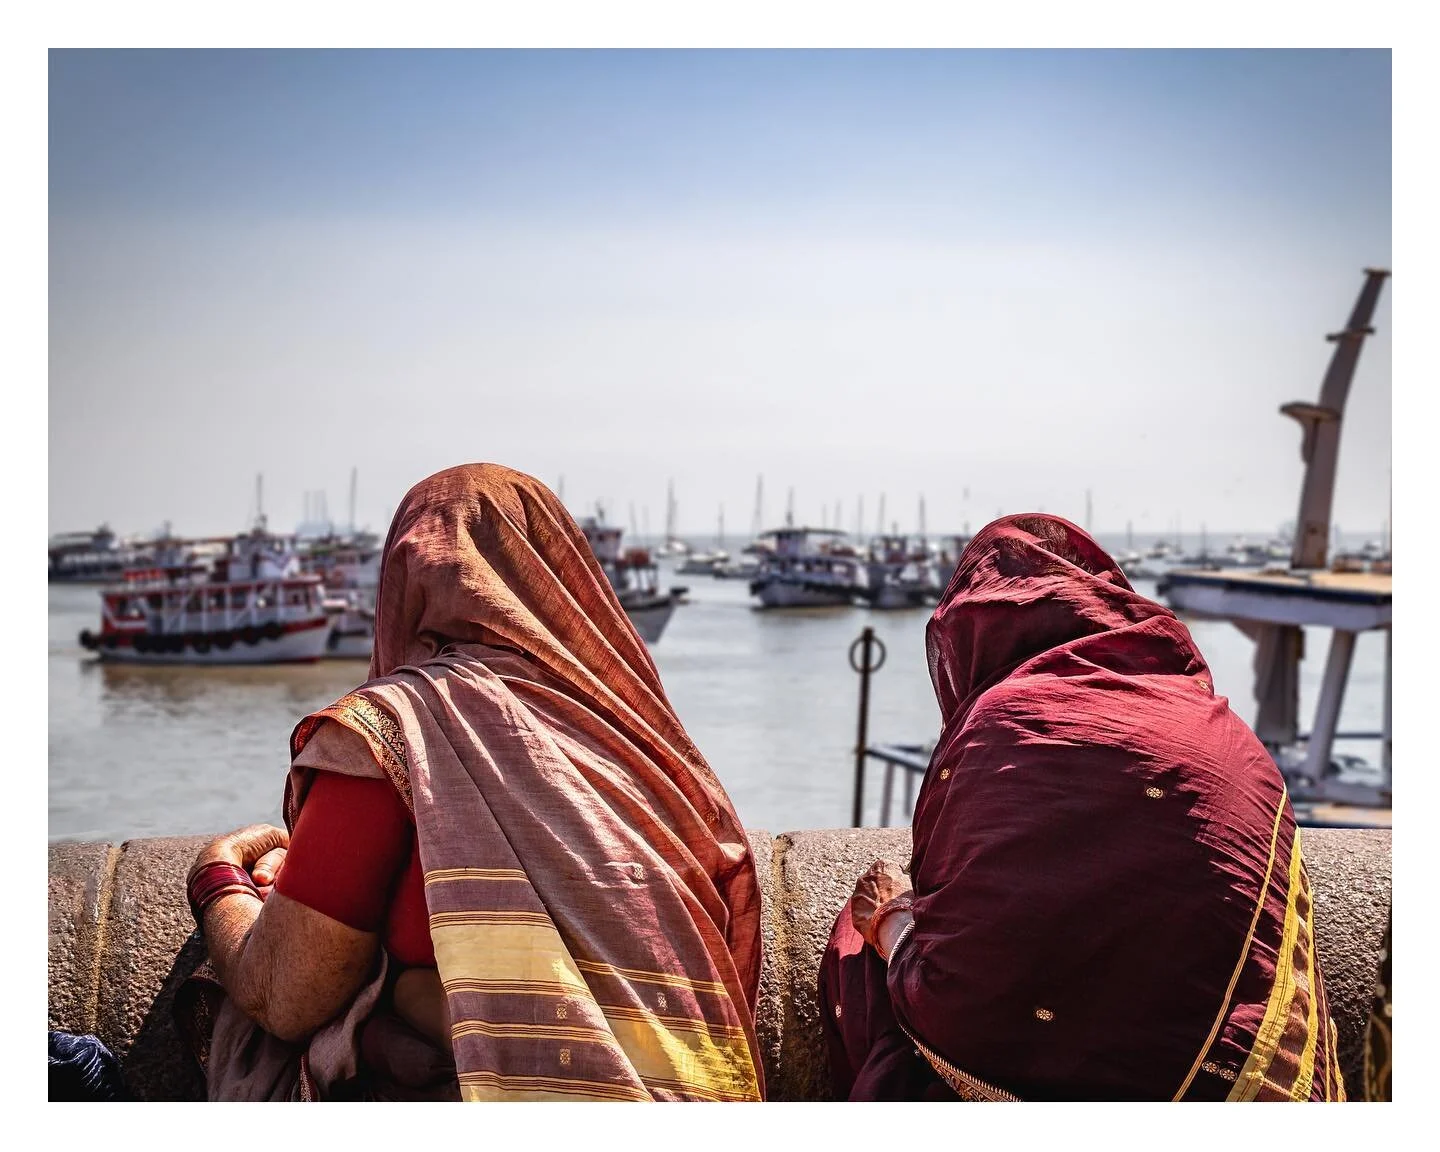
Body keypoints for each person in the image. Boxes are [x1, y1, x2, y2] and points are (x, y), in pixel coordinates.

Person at [177, 464, 764, 1101]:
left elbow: (284, 993)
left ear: (403, 581)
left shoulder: (392, 733)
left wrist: (218, 880)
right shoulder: (644, 743)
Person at [819, 514, 1344, 1101]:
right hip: (1234, 1086)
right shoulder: (1221, 729)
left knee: (857, 954)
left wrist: (887, 920)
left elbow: (958, 1003)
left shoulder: (1000, 726)